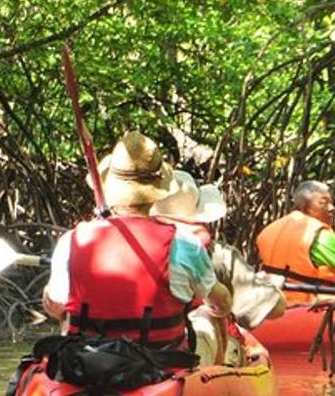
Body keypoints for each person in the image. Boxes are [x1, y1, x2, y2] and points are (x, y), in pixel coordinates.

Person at [42, 131, 232, 364]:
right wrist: (216, 310)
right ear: (158, 191)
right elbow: (221, 302)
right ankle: (221, 385)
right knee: (208, 317)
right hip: (162, 364)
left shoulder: (72, 241)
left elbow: (53, 305)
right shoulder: (184, 243)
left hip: (86, 362)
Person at [152, 171, 286, 365]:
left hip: (134, 348)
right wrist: (274, 289)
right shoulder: (217, 253)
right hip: (190, 351)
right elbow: (276, 309)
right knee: (211, 312)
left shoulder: (132, 246)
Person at [255, 180, 335, 303]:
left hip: (272, 305)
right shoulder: (319, 236)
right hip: (308, 307)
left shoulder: (267, 231)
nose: (332, 208)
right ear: (304, 208)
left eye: (331, 203)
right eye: (323, 203)